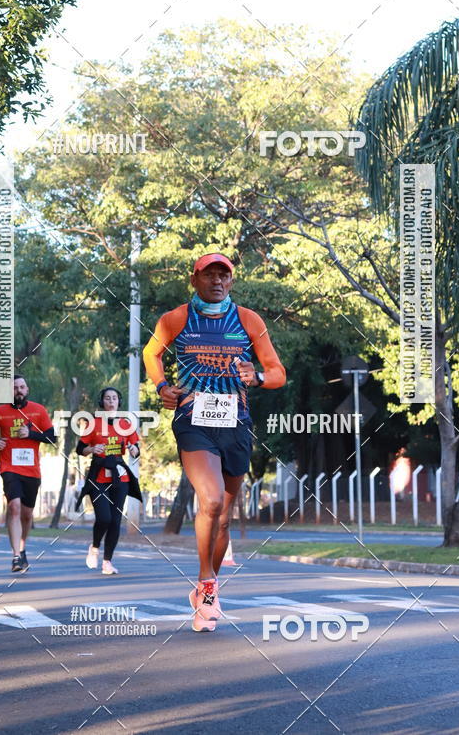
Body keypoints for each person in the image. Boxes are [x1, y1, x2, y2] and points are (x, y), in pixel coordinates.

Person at [143, 252, 286, 632]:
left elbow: (277, 373)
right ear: (195, 280)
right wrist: (161, 387)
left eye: (224, 275)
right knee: (211, 500)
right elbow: (151, 352)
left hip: (236, 422)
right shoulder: (175, 319)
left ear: (231, 282)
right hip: (194, 421)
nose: (217, 281)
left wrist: (256, 377)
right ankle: (207, 586)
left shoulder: (248, 319)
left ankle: (206, 587)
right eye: (210, 275)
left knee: (223, 519)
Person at [0, 375, 55, 573]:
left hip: (32, 470)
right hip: (9, 467)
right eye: (14, 388)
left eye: (22, 387)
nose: (19, 390)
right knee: (14, 507)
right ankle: (15, 557)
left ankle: (22, 549)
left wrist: (31, 434)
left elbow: (51, 437)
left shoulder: (39, 410)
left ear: (27, 389)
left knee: (27, 514)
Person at [75, 387, 141, 575]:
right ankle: (94, 548)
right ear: (102, 402)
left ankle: (107, 562)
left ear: (119, 402)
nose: (111, 401)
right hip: (99, 474)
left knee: (115, 520)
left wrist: (134, 450)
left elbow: (135, 448)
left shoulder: (126, 424)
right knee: (104, 518)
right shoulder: (93, 423)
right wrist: (92, 449)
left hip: (120, 475)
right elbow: (80, 448)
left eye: (114, 398)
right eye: (107, 398)